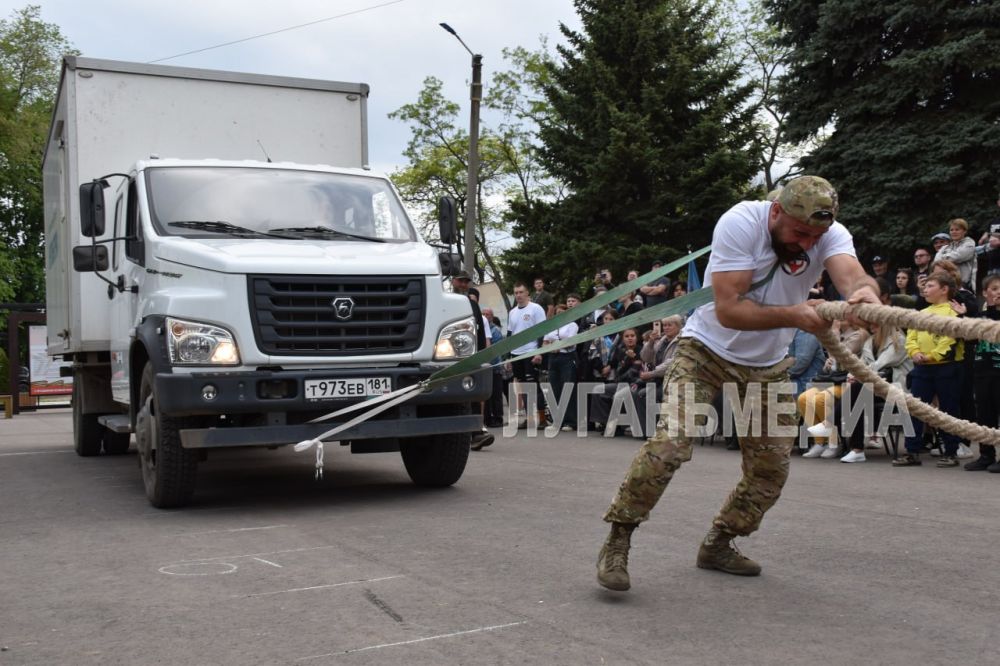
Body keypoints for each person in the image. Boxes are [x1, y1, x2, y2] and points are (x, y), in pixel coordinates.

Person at [596, 175, 880, 592]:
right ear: (777, 210)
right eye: (799, 232)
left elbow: (854, 277)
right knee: (670, 446)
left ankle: (719, 542)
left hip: (766, 366)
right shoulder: (741, 221)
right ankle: (618, 538)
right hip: (704, 351)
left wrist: (866, 297)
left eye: (815, 235)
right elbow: (730, 309)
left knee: (771, 469)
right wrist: (797, 314)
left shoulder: (827, 233)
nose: (806, 242)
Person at [894, 272, 964, 467]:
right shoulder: (921, 313)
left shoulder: (954, 312)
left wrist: (932, 355)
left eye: (930, 285)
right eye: (925, 286)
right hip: (922, 369)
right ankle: (912, 451)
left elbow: (950, 339)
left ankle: (951, 451)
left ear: (944, 289)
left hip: (946, 367)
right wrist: (915, 352)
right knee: (915, 408)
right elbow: (911, 337)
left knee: (948, 410)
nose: (925, 289)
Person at [452, 272, 494, 451]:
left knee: (473, 394)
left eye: (466, 282)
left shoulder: (473, 305)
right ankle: (457, 434)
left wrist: (482, 355)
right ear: (453, 281)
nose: (463, 284)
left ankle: (476, 433)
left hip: (472, 356)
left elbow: (480, 331)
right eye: (460, 281)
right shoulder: (445, 301)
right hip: (450, 356)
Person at [966, 274, 1000, 473]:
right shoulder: (980, 318)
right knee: (985, 415)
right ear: (985, 293)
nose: (998, 293)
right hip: (982, 373)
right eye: (994, 289)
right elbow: (969, 340)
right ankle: (986, 455)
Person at [506, 282, 548, 428]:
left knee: (533, 386)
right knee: (522, 387)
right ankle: (529, 419)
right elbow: (510, 335)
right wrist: (508, 357)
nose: (518, 295)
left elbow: (542, 331)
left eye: (521, 292)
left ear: (527, 293)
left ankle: (542, 419)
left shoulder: (536, 309)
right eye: (516, 293)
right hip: (517, 354)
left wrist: (539, 352)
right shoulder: (512, 312)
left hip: (531, 352)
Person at [541, 303, 579, 432]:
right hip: (553, 358)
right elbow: (545, 342)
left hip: (566, 357)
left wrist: (556, 345)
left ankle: (570, 421)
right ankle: (557, 420)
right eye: (558, 313)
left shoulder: (572, 325)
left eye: (563, 313)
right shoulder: (551, 327)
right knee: (554, 388)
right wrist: (552, 346)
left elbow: (570, 341)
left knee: (567, 388)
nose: (560, 315)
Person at [935, 218, 976, 290]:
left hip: (963, 283)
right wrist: (948, 258)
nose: (954, 232)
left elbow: (958, 257)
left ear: (964, 231)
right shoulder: (945, 247)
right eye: (951, 230)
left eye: (957, 229)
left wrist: (943, 258)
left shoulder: (969, 243)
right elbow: (936, 262)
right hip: (946, 282)